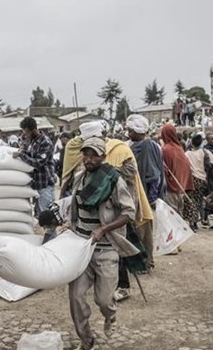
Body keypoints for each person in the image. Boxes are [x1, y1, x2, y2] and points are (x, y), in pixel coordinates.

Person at [67, 137, 137, 350]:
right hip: (82, 247)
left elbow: (129, 213)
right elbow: (74, 208)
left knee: (104, 301)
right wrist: (69, 224)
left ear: (103, 157)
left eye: (94, 154)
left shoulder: (113, 180)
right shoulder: (79, 178)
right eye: (86, 154)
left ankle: (110, 317)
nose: (88, 158)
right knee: (75, 297)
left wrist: (103, 229)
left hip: (106, 248)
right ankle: (86, 339)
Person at [125, 114, 164, 271]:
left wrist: (150, 198)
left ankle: (145, 263)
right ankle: (143, 262)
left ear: (138, 131)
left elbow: (153, 175)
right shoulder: (149, 144)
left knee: (142, 230)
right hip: (140, 195)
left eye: (130, 131)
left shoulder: (146, 146)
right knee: (140, 230)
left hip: (143, 196)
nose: (128, 134)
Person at [161, 124, 194, 236]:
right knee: (178, 216)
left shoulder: (165, 150)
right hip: (181, 187)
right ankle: (179, 242)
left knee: (169, 217)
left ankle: (174, 244)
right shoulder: (180, 149)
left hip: (170, 188)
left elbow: (164, 171)